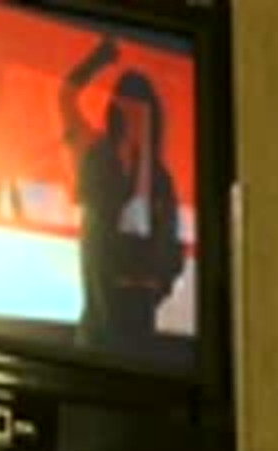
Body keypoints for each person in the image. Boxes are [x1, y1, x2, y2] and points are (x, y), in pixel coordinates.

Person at [59, 36, 184, 350]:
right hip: (99, 323)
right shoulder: (96, 155)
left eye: (141, 110)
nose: (133, 116)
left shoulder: (159, 180)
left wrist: (150, 284)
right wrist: (98, 59)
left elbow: (170, 253)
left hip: (136, 327)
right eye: (126, 106)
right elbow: (66, 97)